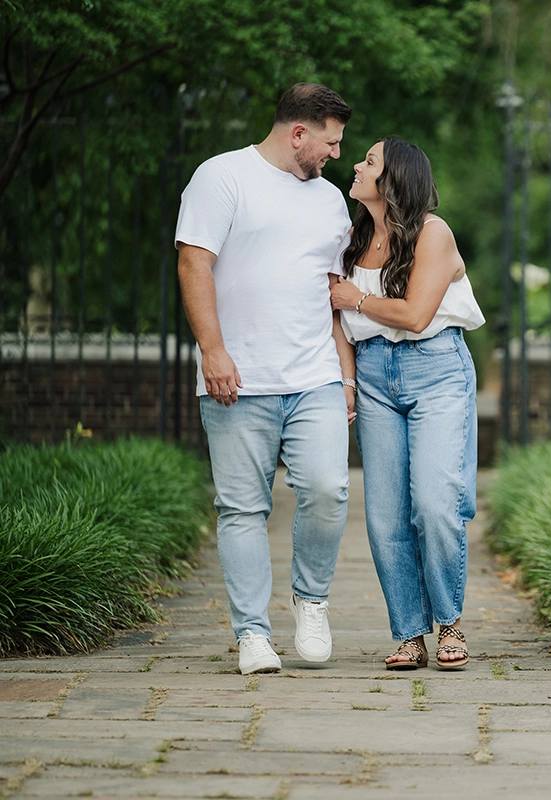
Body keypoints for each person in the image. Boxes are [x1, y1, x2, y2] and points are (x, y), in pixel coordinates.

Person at [176, 83, 357, 675]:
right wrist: (214, 350)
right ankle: (253, 634)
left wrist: (345, 376)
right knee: (242, 508)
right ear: (297, 133)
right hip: (238, 377)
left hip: (314, 376)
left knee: (329, 490)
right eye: (329, 142)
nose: (335, 153)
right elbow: (193, 261)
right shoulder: (221, 176)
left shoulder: (330, 202)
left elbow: (331, 297)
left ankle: (311, 601)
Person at [329, 137, 484, 670]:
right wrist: (348, 384)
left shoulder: (432, 235)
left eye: (368, 161)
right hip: (372, 376)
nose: (356, 164)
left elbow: (418, 315)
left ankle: (450, 622)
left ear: (393, 179)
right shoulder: (351, 239)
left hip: (436, 369)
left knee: (436, 504)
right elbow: (336, 323)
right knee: (385, 516)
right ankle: (410, 633)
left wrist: (359, 300)